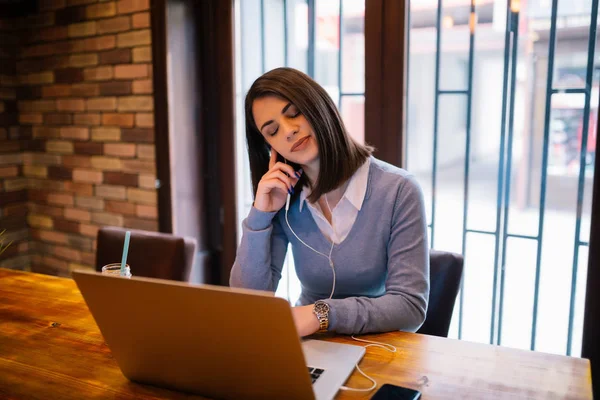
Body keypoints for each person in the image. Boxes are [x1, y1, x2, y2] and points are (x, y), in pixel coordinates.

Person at [230, 67, 429, 337]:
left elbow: (410, 308)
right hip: (308, 346)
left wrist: (321, 314)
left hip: (380, 347)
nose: (288, 131)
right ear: (269, 147)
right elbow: (247, 302)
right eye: (273, 130)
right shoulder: (284, 199)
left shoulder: (399, 190)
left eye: (294, 113)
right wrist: (260, 215)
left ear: (318, 105)